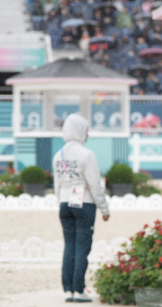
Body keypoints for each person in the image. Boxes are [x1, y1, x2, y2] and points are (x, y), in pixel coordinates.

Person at [52, 114, 110, 303]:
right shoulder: (87, 154)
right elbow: (94, 184)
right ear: (81, 131)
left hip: (64, 204)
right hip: (84, 204)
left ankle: (68, 289)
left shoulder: (58, 155)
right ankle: (79, 289)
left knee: (69, 245)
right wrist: (104, 208)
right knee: (82, 247)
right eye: (86, 130)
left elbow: (57, 185)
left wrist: (60, 201)